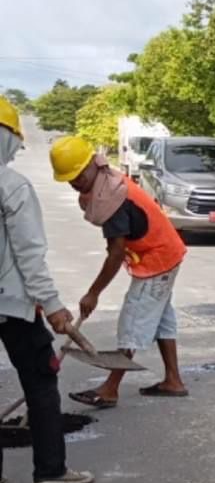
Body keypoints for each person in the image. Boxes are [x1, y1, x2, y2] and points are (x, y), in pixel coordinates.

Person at [50, 135, 189, 408]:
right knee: (161, 318)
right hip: (165, 251)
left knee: (133, 319)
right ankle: (173, 380)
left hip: (158, 258)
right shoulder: (104, 181)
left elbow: (116, 252)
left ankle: (110, 389)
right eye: (69, 178)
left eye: (79, 174)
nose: (75, 182)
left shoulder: (110, 198)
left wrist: (93, 293)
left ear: (93, 163)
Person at [0, 98, 93, 483]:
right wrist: (53, 307)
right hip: (12, 306)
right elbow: (29, 255)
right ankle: (51, 470)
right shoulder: (12, 186)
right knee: (40, 382)